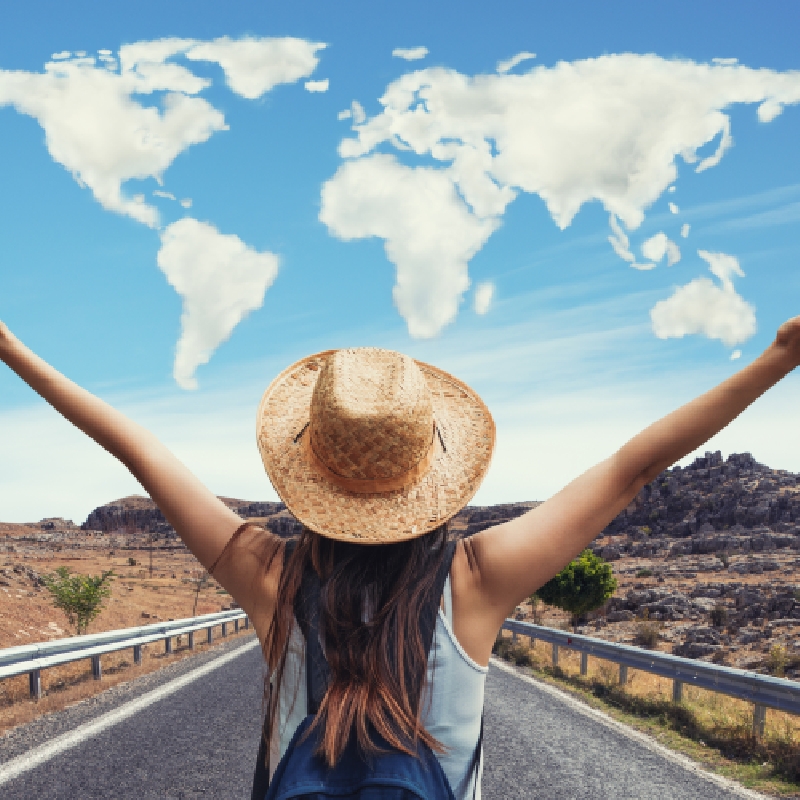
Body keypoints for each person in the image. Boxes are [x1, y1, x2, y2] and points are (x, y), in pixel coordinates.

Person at [0, 317, 798, 799]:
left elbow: (137, 447)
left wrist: (8, 346)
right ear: (432, 471)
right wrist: (776, 359)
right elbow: (633, 468)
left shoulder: (272, 577)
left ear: (310, 467)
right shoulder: (477, 579)